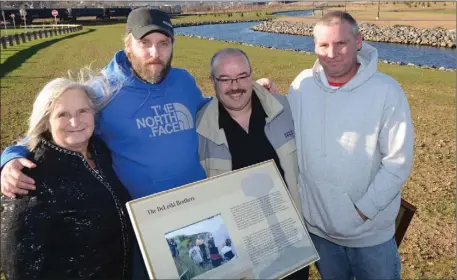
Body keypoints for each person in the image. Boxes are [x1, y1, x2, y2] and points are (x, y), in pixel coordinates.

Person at [0, 8, 274, 280]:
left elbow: (207, 109)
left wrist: (252, 89)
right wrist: (10, 159)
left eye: (163, 44)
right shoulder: (103, 91)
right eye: (146, 43)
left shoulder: (183, 81)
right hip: (145, 227)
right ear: (128, 44)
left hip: (200, 212)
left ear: (172, 45)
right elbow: (48, 131)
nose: (155, 54)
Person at [287, 11, 414, 280]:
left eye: (340, 43)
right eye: (323, 45)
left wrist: (362, 211)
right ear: (314, 45)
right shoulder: (301, 86)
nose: (331, 53)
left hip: (370, 236)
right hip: (319, 230)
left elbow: (398, 162)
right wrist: (263, 94)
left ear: (358, 41)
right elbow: (285, 130)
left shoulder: (386, 91)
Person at [0, 76, 132, 280]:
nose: (75, 122)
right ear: (46, 122)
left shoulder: (100, 151)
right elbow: (18, 266)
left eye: (83, 111)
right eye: (63, 114)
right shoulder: (30, 178)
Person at [196, 48, 309, 279]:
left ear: (251, 75)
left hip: (293, 241)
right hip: (243, 250)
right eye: (225, 79)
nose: (235, 86)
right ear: (212, 81)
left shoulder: (285, 108)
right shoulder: (200, 128)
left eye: (242, 76)